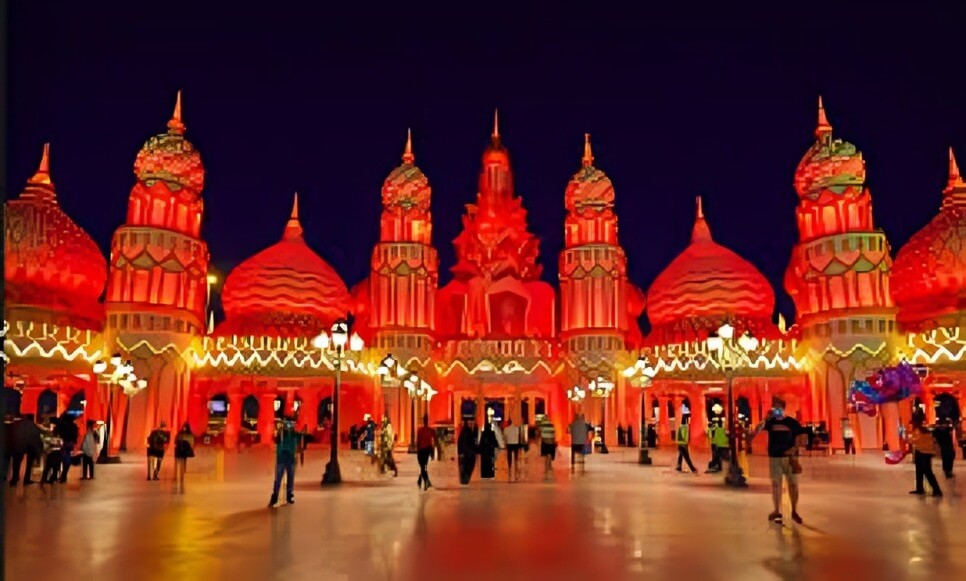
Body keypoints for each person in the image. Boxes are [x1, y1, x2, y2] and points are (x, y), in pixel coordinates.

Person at [754, 402, 807, 524]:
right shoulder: (770, 422)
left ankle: (794, 511)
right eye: (774, 408)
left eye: (778, 408)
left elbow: (802, 437)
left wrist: (795, 447)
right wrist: (765, 418)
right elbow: (757, 430)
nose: (776, 410)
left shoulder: (791, 422)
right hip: (775, 457)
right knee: (776, 484)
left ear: (783, 409)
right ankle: (777, 511)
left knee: (793, 485)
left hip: (790, 457)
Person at [269, 415, 302, 507]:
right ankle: (276, 496)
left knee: (289, 477)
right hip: (283, 458)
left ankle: (288, 495)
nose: (289, 425)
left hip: (289, 458)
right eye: (287, 423)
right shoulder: (281, 433)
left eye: (290, 423)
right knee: (279, 478)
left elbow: (298, 446)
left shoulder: (293, 434)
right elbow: (277, 440)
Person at [906, 415, 942, 497]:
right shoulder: (924, 430)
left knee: (927, 471)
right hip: (924, 452)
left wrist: (908, 440)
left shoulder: (918, 430)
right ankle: (920, 488)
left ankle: (936, 490)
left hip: (923, 452)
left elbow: (917, 440)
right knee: (920, 471)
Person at [10, 415, 43, 486]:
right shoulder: (33, 426)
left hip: (18, 445)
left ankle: (14, 479)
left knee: (16, 463)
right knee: (29, 464)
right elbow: (37, 438)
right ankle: (26, 479)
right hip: (30, 446)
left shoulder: (16, 424)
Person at [54, 413, 79, 483]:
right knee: (67, 458)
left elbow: (58, 432)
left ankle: (62, 475)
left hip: (64, 443)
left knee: (63, 458)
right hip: (71, 444)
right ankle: (64, 475)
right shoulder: (74, 426)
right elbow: (76, 435)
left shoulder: (63, 425)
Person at [416, 415, 437, 490]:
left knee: (423, 467)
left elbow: (418, 442)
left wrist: (418, 450)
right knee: (423, 467)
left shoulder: (420, 430)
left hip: (422, 451)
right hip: (427, 451)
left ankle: (424, 482)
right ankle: (424, 482)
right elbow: (435, 441)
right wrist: (433, 452)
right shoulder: (430, 430)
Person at [457, 419, 478, 485]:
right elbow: (473, 443)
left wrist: (459, 453)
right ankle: (466, 479)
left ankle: (463, 479)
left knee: (463, 466)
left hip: (463, 453)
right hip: (470, 453)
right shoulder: (470, 433)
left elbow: (459, 443)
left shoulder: (462, 434)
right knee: (469, 466)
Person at [538, 415, 557, 481]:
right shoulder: (552, 424)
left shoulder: (542, 425)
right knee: (550, 454)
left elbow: (539, 433)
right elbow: (554, 433)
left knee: (545, 455)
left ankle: (546, 468)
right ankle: (549, 465)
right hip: (551, 442)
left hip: (545, 441)